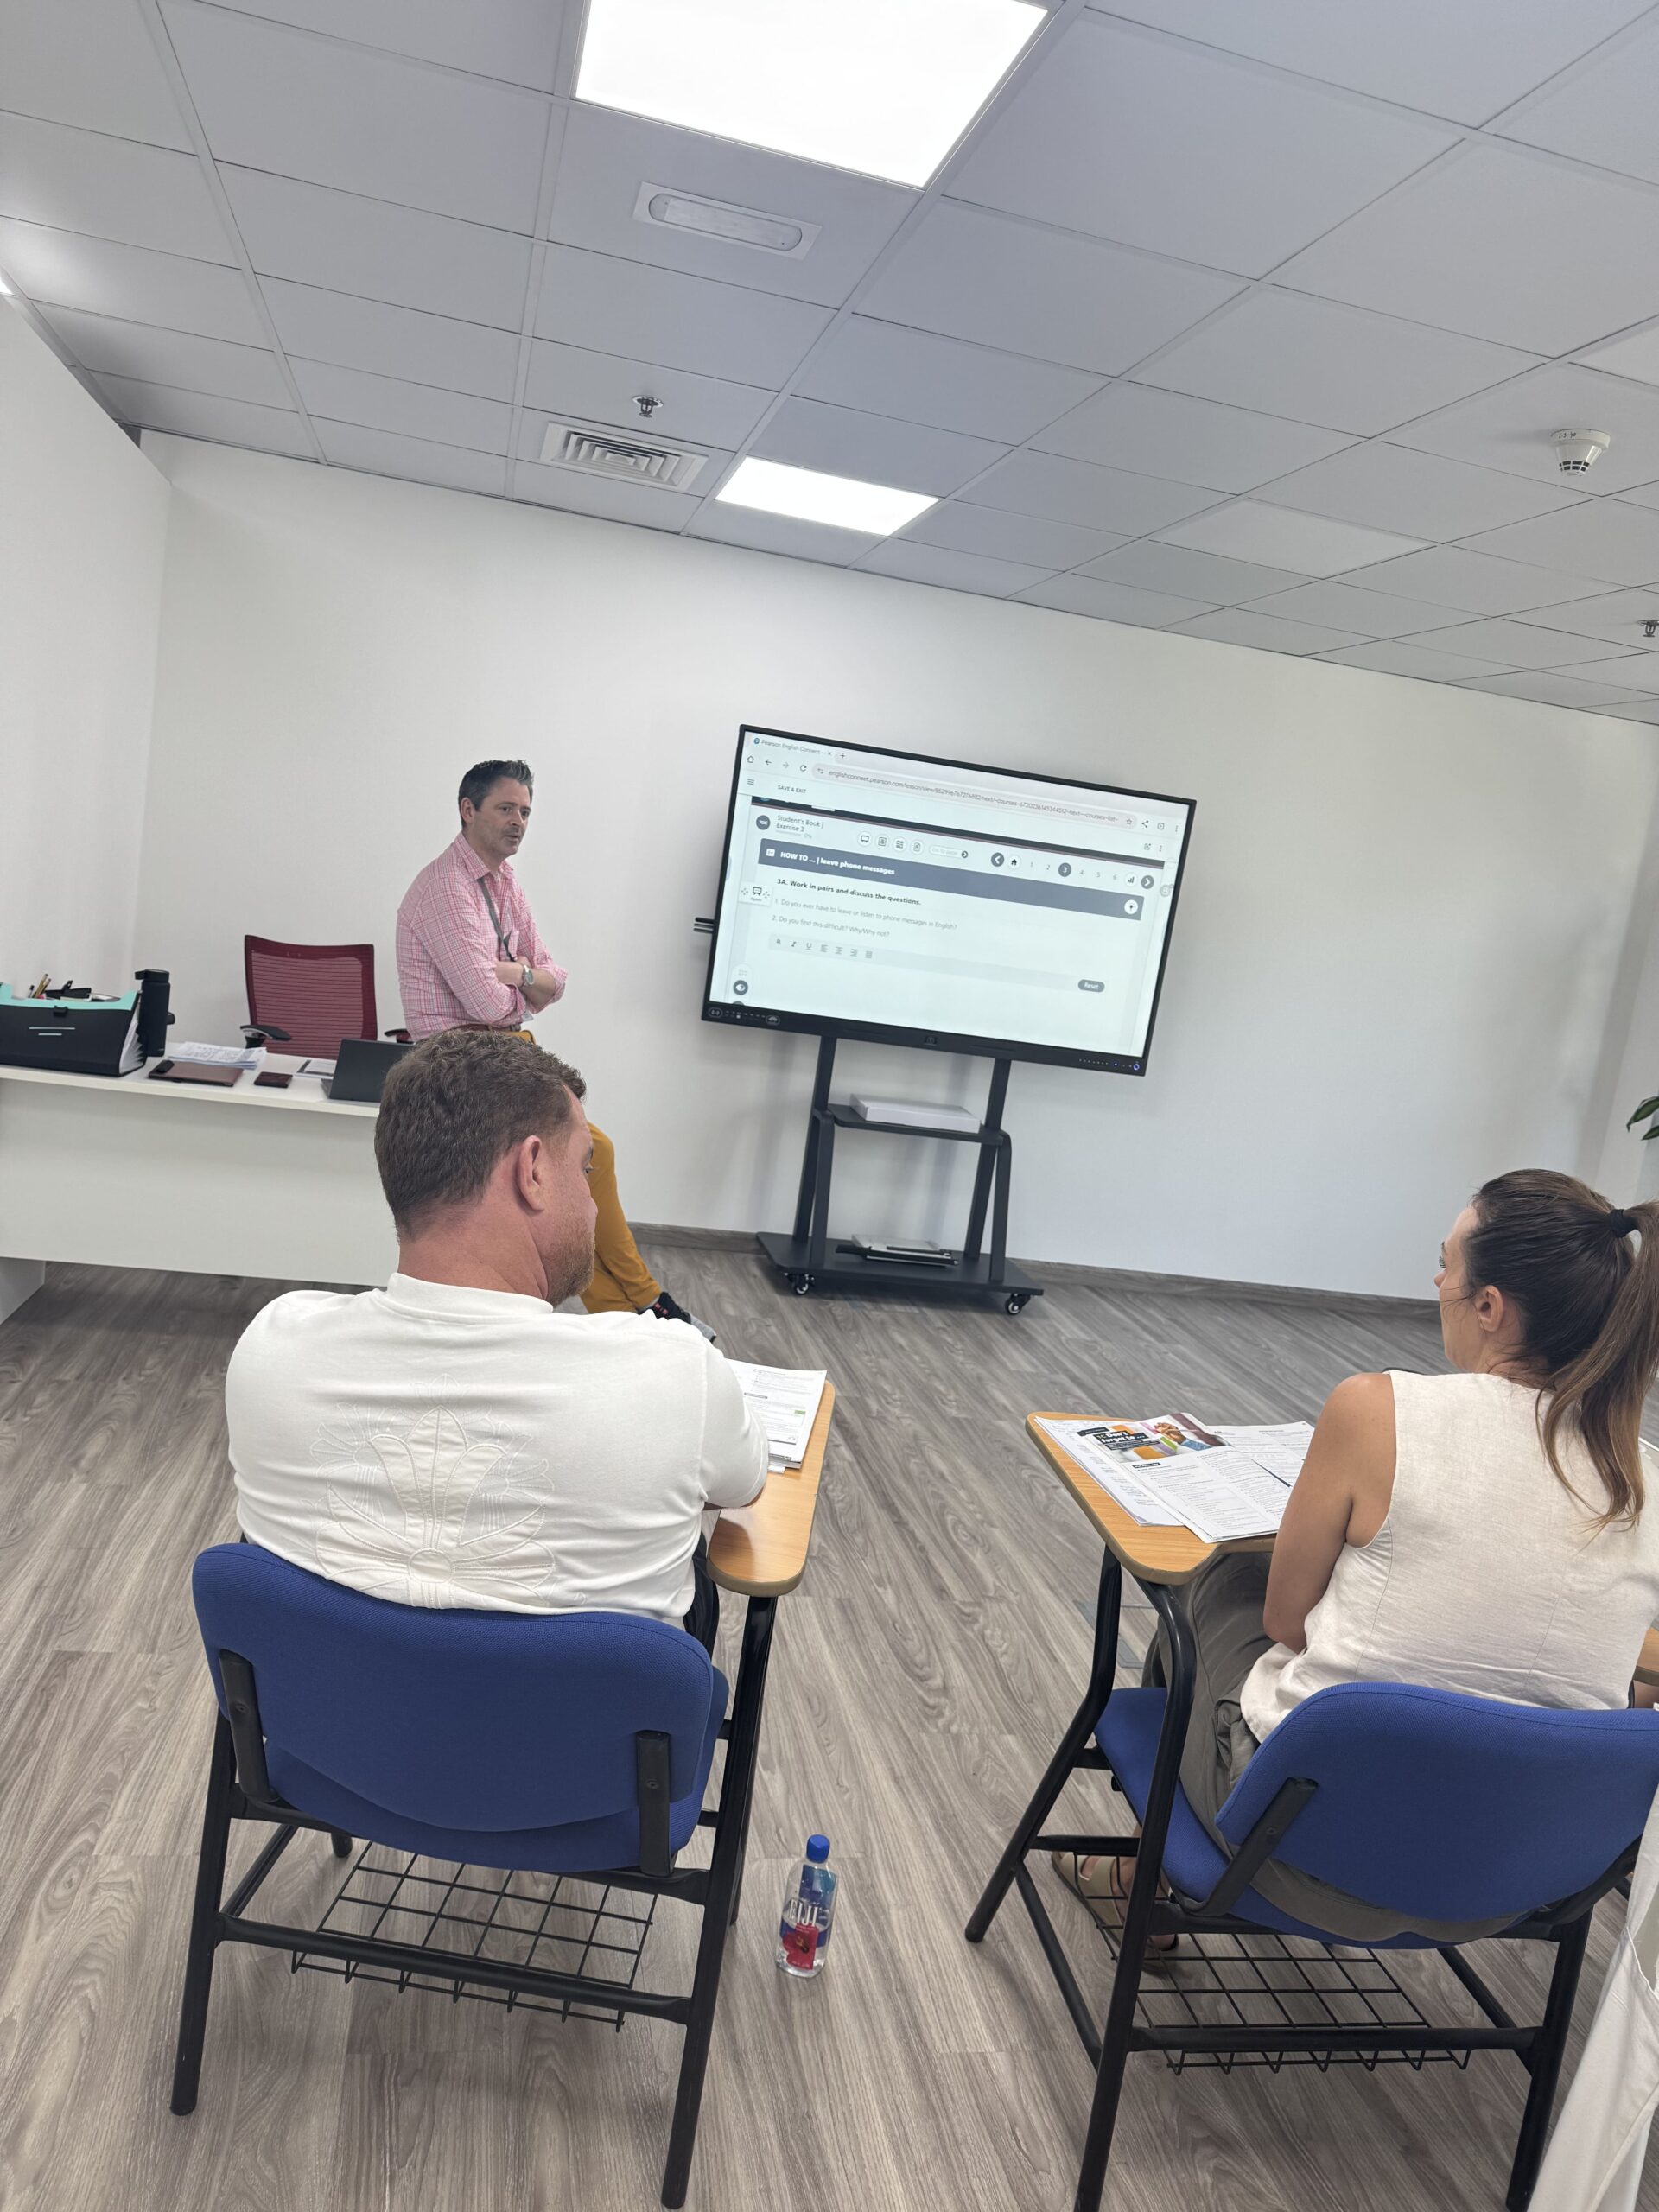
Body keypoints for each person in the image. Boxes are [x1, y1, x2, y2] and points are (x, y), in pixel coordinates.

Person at [1058, 1169, 1659, 1944]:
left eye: (1445, 1264)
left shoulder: (1377, 1409)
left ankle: (1142, 1883)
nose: (1435, 1282)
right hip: (1512, 1884)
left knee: (1221, 1583)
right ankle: (1140, 1876)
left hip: (1300, 1859)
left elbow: (1287, 1623)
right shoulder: (1644, 1474)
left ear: (1489, 1306)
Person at [226, 1028, 766, 1651]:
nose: (594, 1205)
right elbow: (744, 1486)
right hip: (572, 1721)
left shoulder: (271, 1349)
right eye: (585, 1168)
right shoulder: (678, 1375)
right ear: (532, 1171)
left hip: (325, 1714)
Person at [395, 758, 714, 1338]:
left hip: (503, 1052)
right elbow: (489, 1003)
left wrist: (516, 973)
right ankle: (644, 1305)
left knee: (590, 1156)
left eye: (525, 811)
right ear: (468, 810)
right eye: (505, 809)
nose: (518, 822)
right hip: (455, 1063)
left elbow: (554, 980)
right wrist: (526, 983)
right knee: (589, 1155)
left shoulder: (505, 882)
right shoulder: (446, 888)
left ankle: (637, 1314)